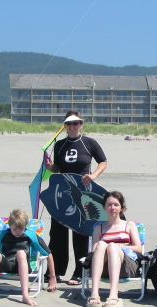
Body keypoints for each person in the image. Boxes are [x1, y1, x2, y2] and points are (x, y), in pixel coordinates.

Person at [44, 111, 107, 285]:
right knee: (57, 234)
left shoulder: (89, 143)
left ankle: (79, 272)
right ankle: (54, 271)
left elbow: (103, 162)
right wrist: (50, 167)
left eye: (76, 123)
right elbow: (58, 169)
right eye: (69, 124)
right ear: (64, 126)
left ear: (81, 124)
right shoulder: (60, 145)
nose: (72, 127)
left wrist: (93, 176)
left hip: (83, 193)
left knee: (81, 233)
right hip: (62, 194)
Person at [0, 209, 57, 306]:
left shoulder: (31, 235)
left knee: (21, 253)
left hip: (23, 266)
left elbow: (48, 254)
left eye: (21, 229)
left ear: (25, 226)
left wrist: (52, 277)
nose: (18, 232)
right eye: (14, 229)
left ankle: (25, 296)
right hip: (5, 264)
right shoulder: (1, 234)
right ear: (9, 225)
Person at [86, 191, 142, 307]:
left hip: (126, 267)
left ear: (122, 207)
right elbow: (94, 251)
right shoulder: (98, 227)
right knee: (101, 244)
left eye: (116, 205)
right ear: (104, 207)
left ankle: (113, 294)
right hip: (103, 267)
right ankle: (94, 292)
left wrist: (117, 246)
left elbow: (138, 248)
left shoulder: (129, 225)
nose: (112, 208)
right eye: (109, 205)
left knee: (111, 246)